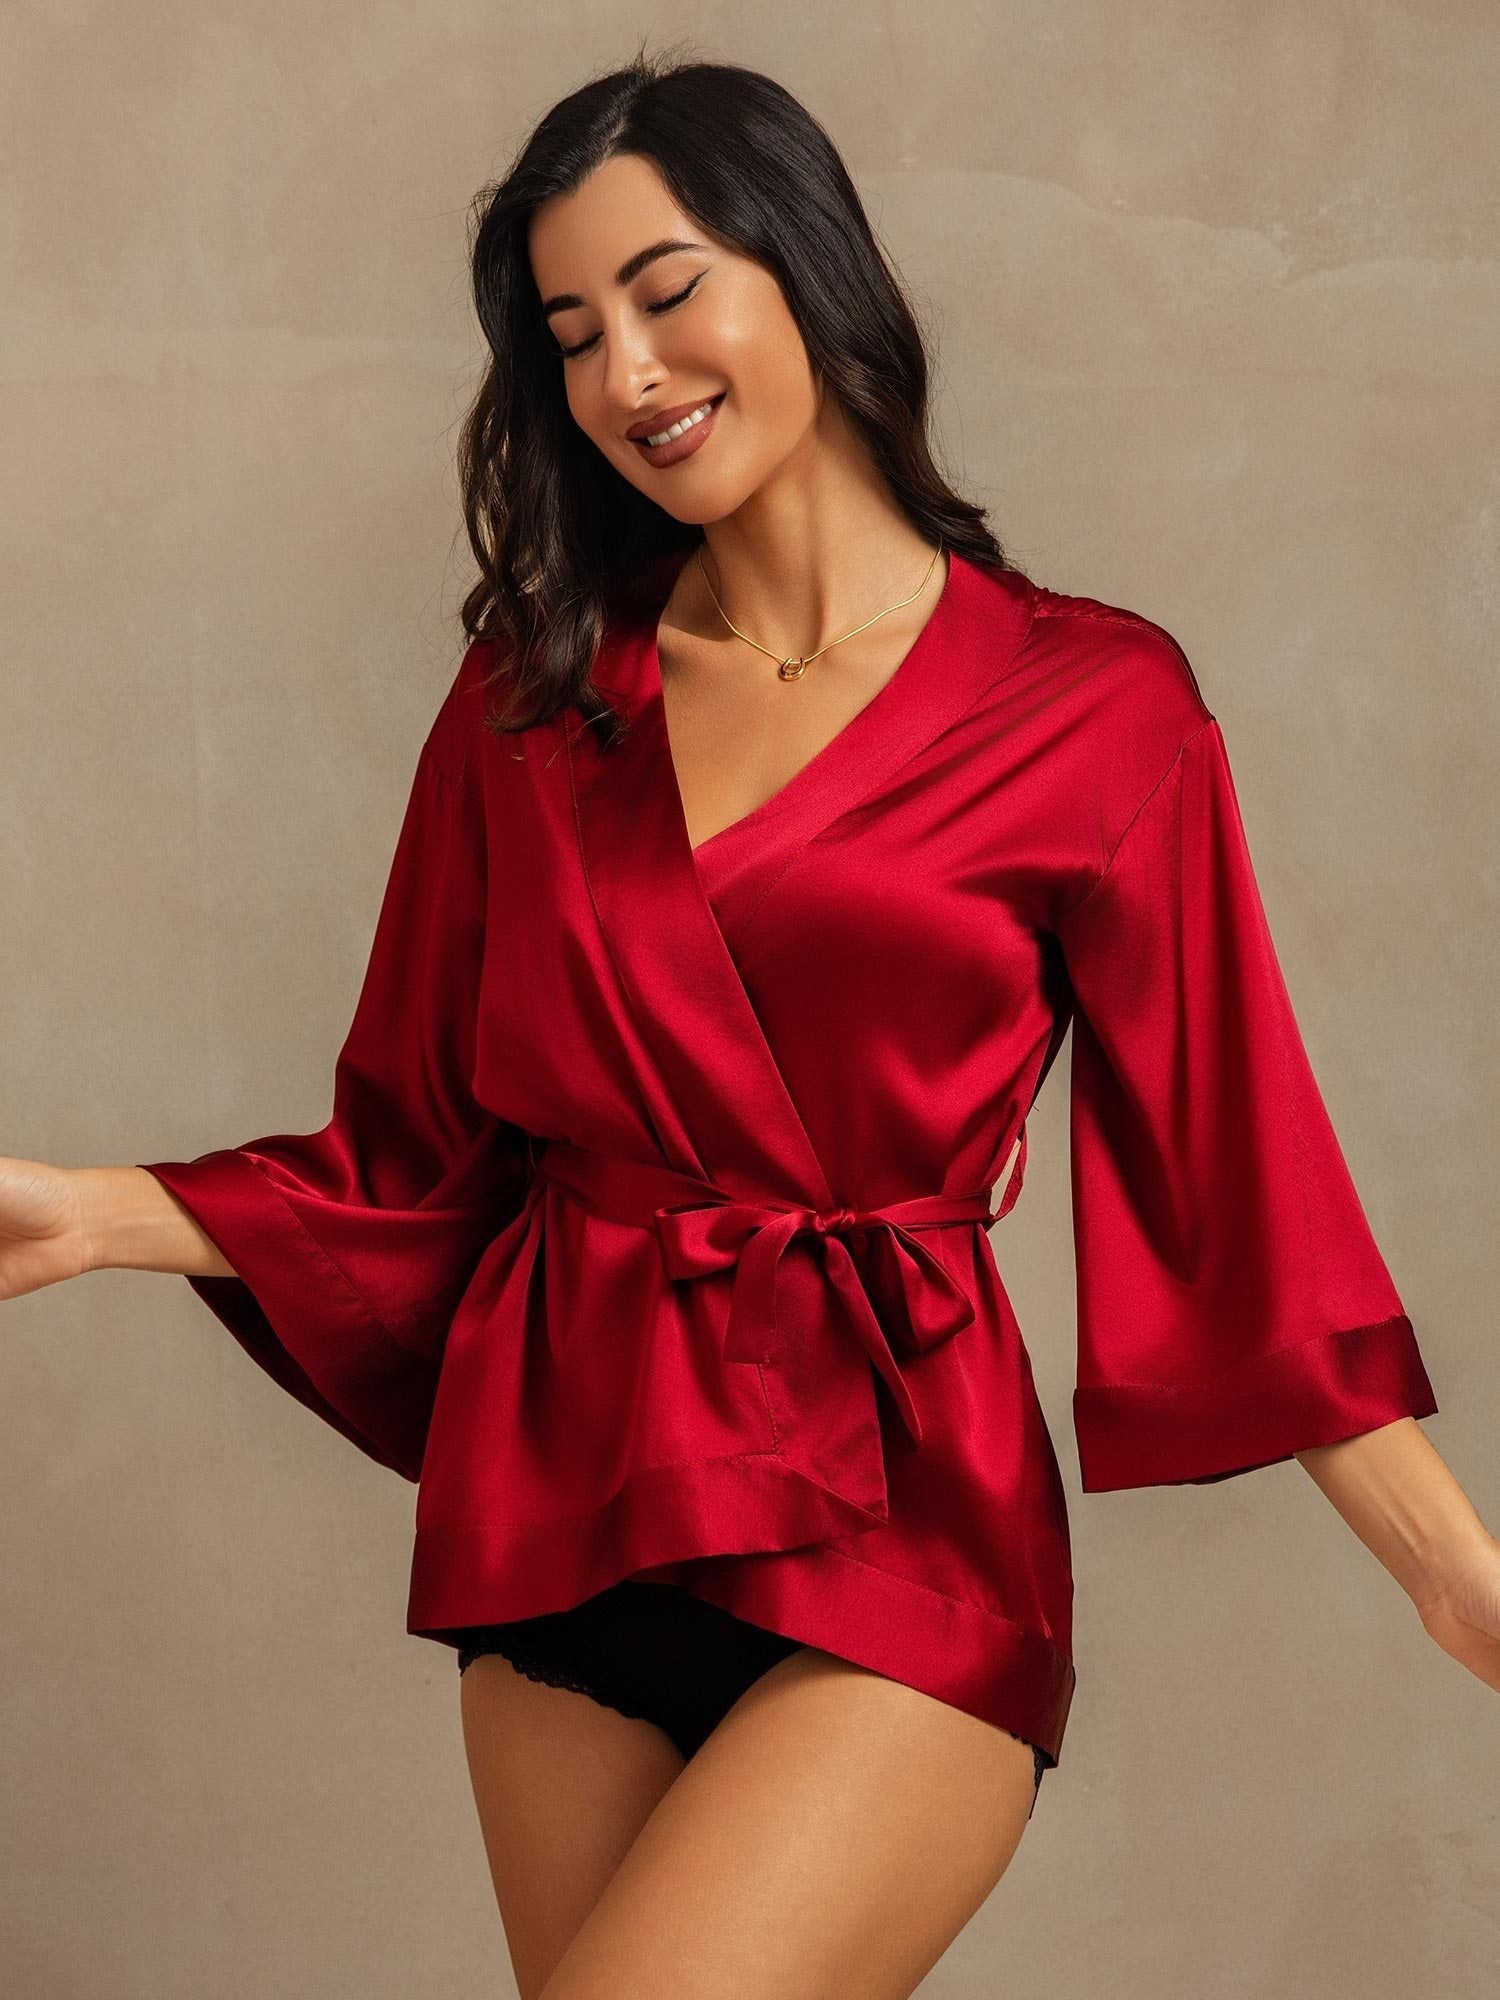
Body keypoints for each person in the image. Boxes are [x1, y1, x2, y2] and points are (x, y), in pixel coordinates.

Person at [5, 49, 1497, 2000]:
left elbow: (1242, 1192)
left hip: (902, 1512)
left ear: (806, 267)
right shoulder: (535, 699)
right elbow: (413, 1155)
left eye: (664, 290)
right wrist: (94, 1218)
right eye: (571, 336)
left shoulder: (1098, 708)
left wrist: (1453, 1568)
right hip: (567, 1506)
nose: (625, 373)